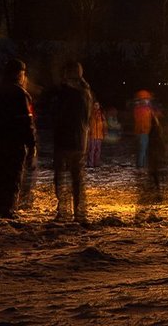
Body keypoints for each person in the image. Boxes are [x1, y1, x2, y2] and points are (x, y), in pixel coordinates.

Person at [0, 58, 35, 219]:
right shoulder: (19, 94)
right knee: (12, 175)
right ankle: (6, 208)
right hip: (14, 142)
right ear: (19, 74)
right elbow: (26, 121)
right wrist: (31, 143)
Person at [49, 61, 95, 224]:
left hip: (64, 139)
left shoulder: (67, 94)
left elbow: (57, 114)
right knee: (78, 178)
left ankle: (64, 212)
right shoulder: (86, 92)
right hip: (80, 140)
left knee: (62, 177)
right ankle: (79, 213)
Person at [131, 90, 154, 167]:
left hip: (141, 132)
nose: (148, 101)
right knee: (143, 150)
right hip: (143, 132)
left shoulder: (138, 109)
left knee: (141, 150)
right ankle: (141, 165)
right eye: (147, 99)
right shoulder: (144, 110)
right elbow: (143, 121)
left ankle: (141, 164)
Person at [86, 101, 106, 168]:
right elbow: (88, 124)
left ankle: (96, 163)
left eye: (97, 105)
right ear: (93, 106)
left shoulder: (101, 114)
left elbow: (104, 124)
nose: (96, 106)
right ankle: (90, 164)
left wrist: (104, 132)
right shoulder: (90, 114)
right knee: (91, 150)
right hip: (92, 135)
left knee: (98, 150)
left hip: (99, 135)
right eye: (95, 105)